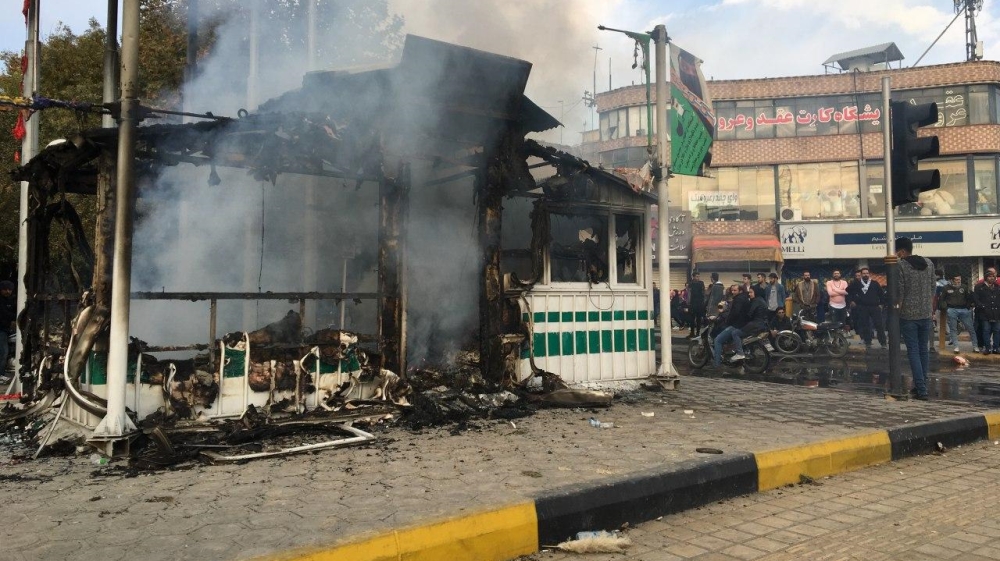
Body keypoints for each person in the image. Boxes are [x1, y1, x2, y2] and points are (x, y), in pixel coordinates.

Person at [896, 237, 935, 400]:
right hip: (926, 313)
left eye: (897, 252)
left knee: (913, 351)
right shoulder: (929, 263)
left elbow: (901, 291)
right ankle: (922, 385)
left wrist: (897, 310)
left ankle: (921, 389)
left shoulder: (901, 265)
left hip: (908, 315)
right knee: (923, 350)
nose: (896, 255)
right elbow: (933, 287)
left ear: (903, 251)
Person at [939, 274, 978, 353]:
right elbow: (942, 299)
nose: (958, 281)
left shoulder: (964, 287)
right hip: (952, 309)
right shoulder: (946, 288)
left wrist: (968, 306)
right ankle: (956, 347)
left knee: (971, 328)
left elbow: (969, 297)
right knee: (953, 329)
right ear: (952, 280)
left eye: (959, 279)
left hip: (964, 309)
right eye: (956, 279)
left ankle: (975, 346)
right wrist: (946, 308)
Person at [713, 285, 749, 367]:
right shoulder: (745, 298)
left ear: (740, 291)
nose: (733, 292)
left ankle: (717, 363)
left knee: (717, 340)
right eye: (732, 290)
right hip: (744, 324)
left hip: (737, 325)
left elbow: (734, 313)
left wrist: (727, 321)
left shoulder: (738, 299)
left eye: (735, 290)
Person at [851, 267, 886, 349]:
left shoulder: (875, 283)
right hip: (863, 307)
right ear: (861, 275)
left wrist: (881, 304)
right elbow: (850, 292)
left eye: (867, 273)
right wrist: (853, 301)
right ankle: (868, 342)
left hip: (875, 307)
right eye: (864, 273)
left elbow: (881, 294)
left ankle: (883, 343)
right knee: (865, 325)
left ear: (869, 274)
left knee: (879, 325)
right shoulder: (857, 284)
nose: (865, 275)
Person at [974, 269, 1000, 354]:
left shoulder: (997, 287)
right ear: (986, 277)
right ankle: (987, 348)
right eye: (990, 276)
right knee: (986, 330)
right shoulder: (979, 287)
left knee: (997, 330)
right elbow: (976, 299)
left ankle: (996, 348)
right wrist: (982, 306)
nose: (992, 278)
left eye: (993, 276)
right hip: (985, 313)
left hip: (996, 313)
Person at [703, 272, 726, 337]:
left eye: (710, 277)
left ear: (712, 278)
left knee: (711, 326)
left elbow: (712, 299)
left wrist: (708, 310)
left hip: (713, 310)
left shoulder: (716, 286)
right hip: (717, 309)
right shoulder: (721, 286)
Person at [0, 280, 15, 376]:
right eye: (5, 289)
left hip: (6, 329)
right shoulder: (1, 301)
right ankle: (0, 374)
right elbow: (4, 314)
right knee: (3, 352)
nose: (8, 291)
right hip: (1, 329)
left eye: (10, 289)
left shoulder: (10, 300)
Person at [687, 272, 706, 338]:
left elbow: (704, 292)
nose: (698, 278)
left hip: (699, 304)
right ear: (693, 277)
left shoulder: (701, 283)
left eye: (699, 276)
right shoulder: (690, 284)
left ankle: (698, 333)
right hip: (693, 304)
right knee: (692, 319)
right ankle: (692, 333)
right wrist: (688, 303)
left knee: (699, 319)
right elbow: (689, 294)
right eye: (697, 276)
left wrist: (703, 302)